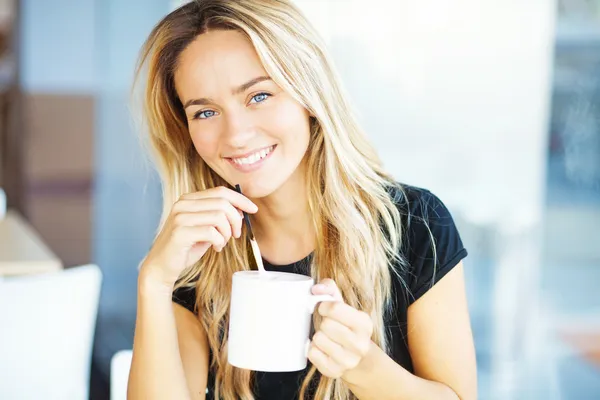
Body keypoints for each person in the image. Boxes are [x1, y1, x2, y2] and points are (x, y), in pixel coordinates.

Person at [127, 1, 477, 399]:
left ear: (309, 94)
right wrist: (154, 281)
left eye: (258, 96)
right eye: (205, 112)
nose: (236, 134)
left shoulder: (414, 224)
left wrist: (365, 368)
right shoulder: (199, 254)